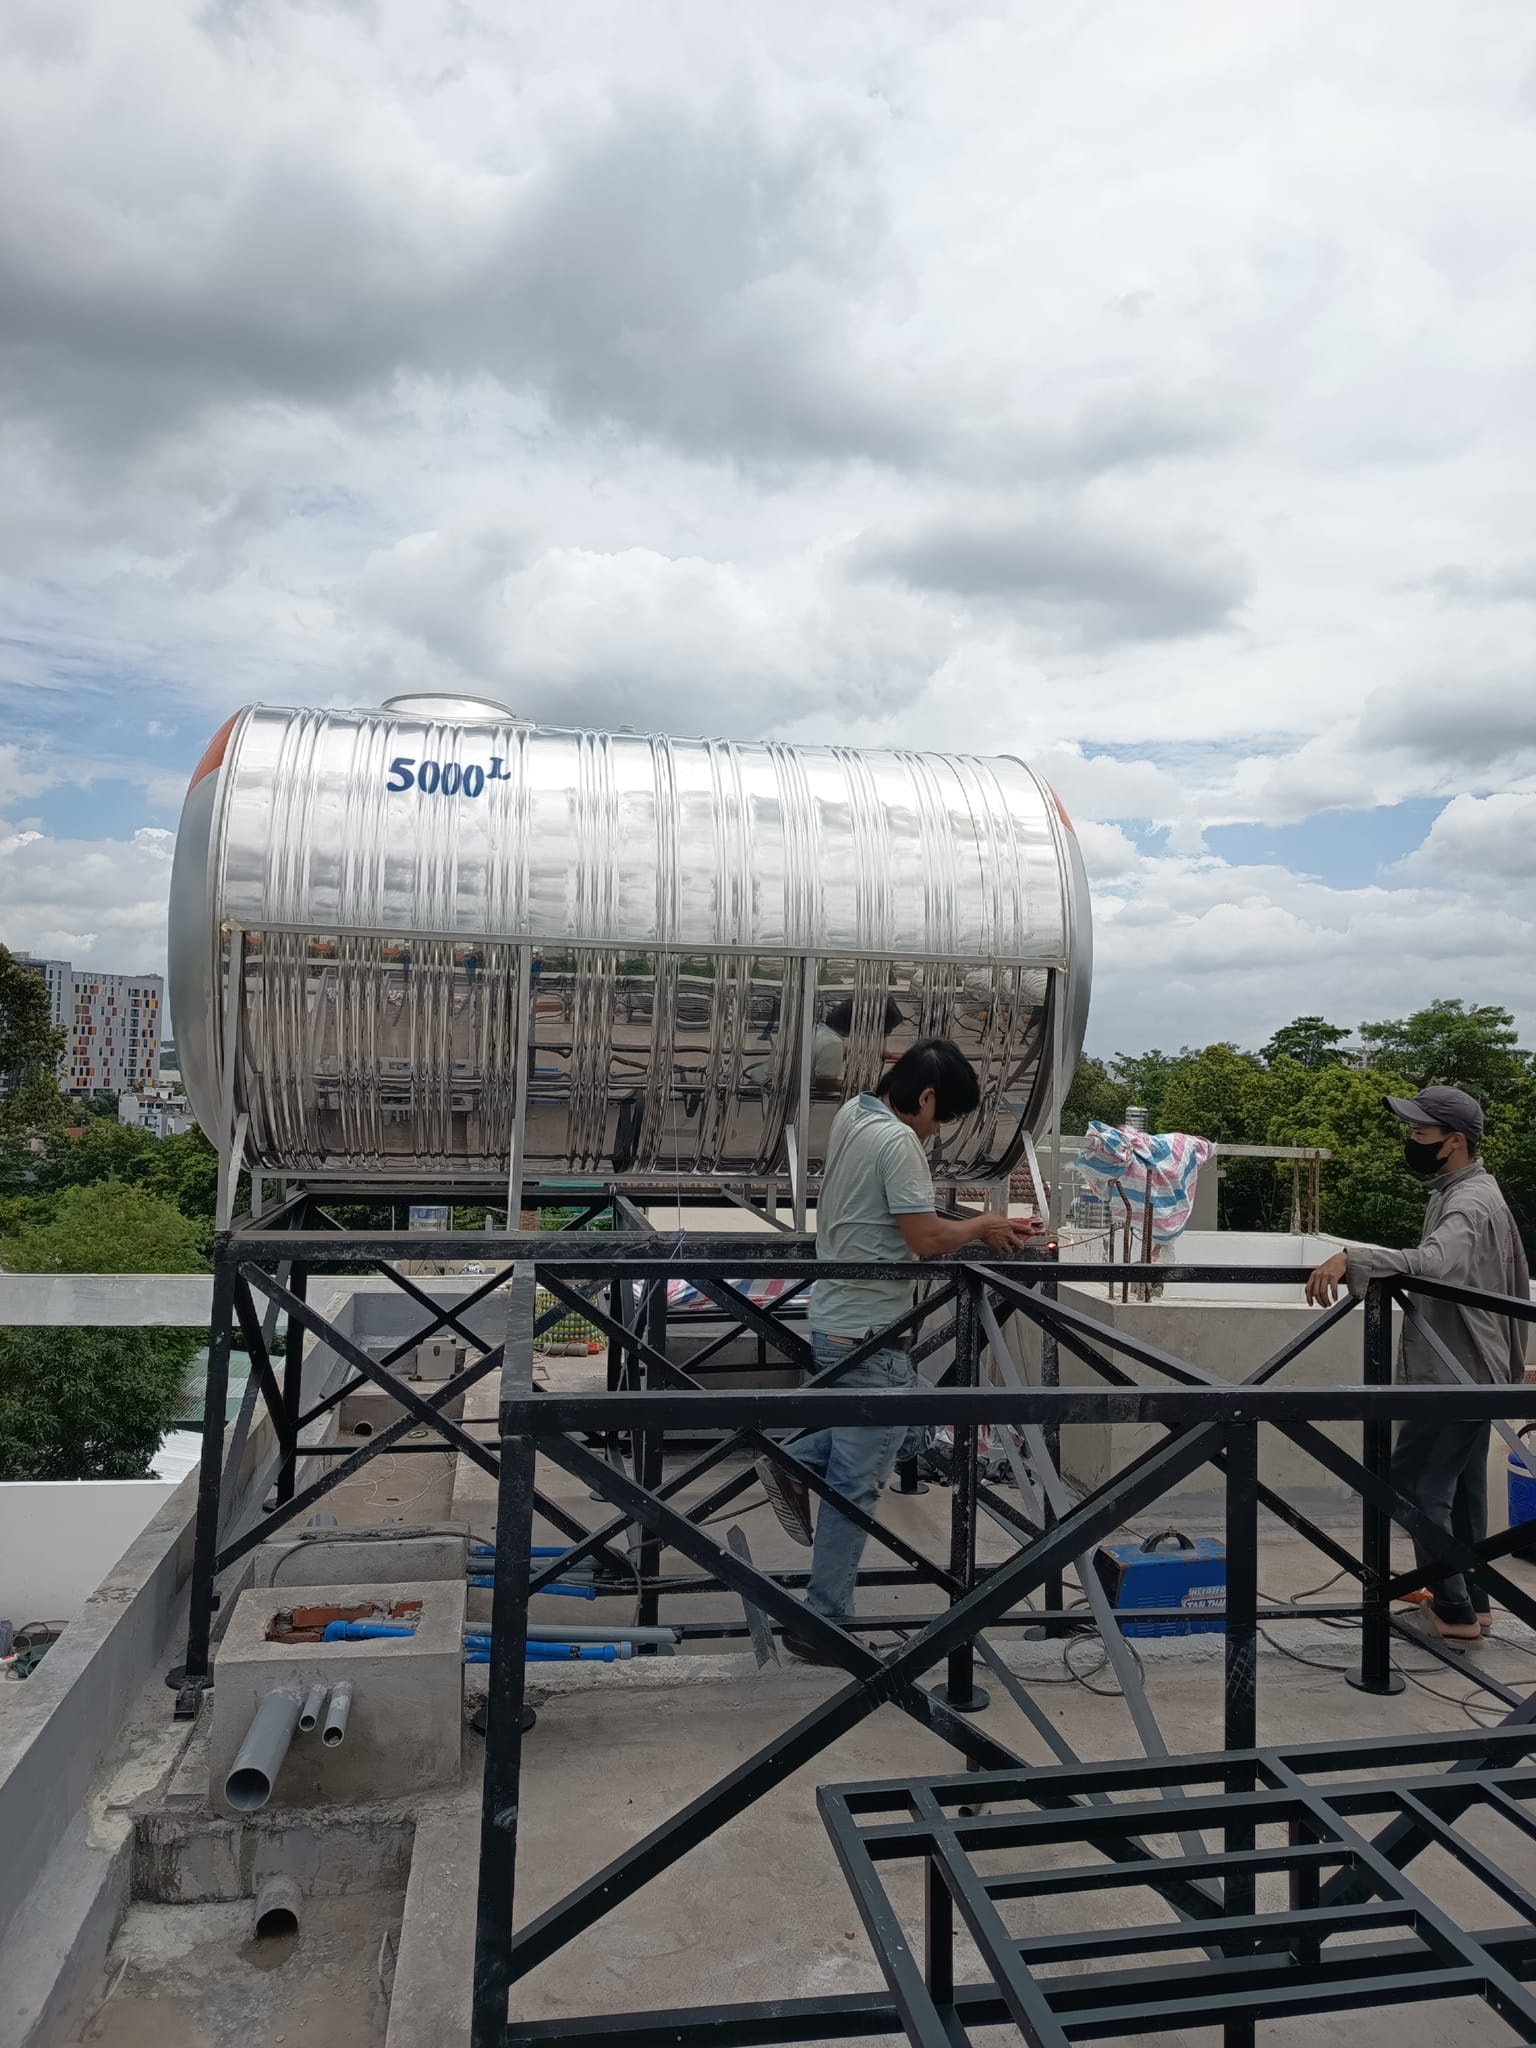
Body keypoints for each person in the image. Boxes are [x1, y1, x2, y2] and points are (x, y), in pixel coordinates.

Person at [757, 1036, 1042, 1662]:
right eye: (943, 1117)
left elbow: (899, 1216)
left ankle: (793, 1459)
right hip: (872, 1334)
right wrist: (983, 1225)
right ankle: (823, 1622)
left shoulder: (855, 1116)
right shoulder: (899, 1141)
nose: (938, 1132)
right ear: (927, 1097)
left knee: (909, 1431)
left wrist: (979, 1226)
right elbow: (924, 1238)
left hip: (837, 1324)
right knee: (855, 1485)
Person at [1305, 1086, 1530, 1646]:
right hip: (1475, 1370)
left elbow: (1434, 1262)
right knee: (1463, 1492)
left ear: (1455, 1141)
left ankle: (1451, 1609)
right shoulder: (1467, 1191)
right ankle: (1473, 1602)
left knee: (1414, 1487)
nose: (1412, 1140)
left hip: (1455, 1372)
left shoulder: (1468, 1202)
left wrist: (1354, 1257)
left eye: (1421, 1132)